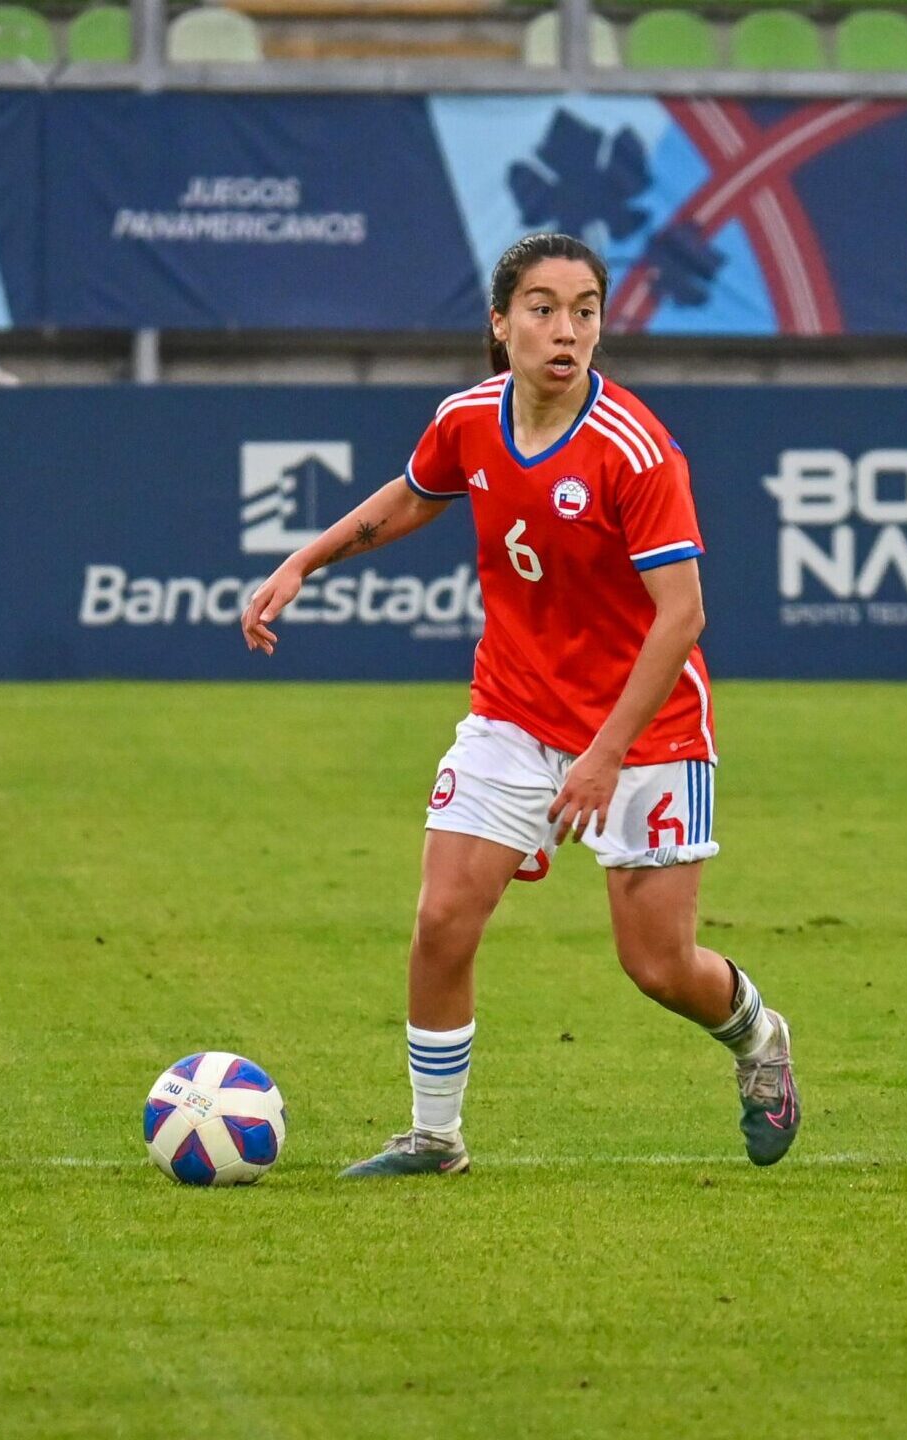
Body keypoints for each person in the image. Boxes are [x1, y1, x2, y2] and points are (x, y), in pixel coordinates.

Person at [238, 232, 800, 1178]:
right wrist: (305, 560)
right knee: (443, 919)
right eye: (542, 308)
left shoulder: (637, 451)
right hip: (512, 712)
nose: (566, 328)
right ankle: (433, 1135)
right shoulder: (468, 418)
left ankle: (758, 1038)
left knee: (658, 965)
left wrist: (606, 754)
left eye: (585, 309)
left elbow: (683, 616)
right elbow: (417, 495)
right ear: (500, 325)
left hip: (646, 728)